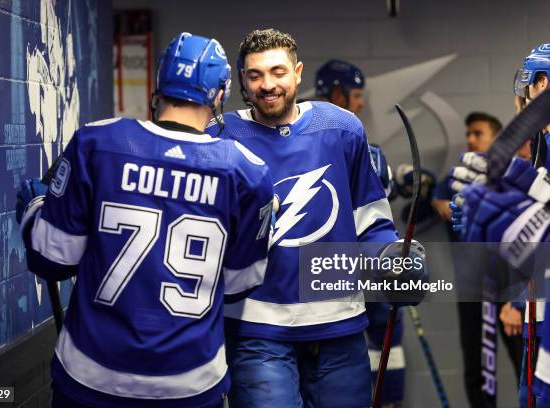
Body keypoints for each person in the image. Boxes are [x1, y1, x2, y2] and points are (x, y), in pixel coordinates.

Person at [16, 32, 274, 408]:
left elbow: (51, 260)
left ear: (159, 84)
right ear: (219, 95)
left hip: (92, 373)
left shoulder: (97, 142)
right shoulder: (247, 171)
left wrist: (34, 209)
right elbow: (238, 284)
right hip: (190, 380)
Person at [207, 28, 428, 408]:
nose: (267, 85)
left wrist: (394, 261)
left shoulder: (341, 128)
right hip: (258, 330)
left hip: (339, 327)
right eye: (255, 75)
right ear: (242, 80)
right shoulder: (221, 137)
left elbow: (370, 222)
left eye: (278, 72)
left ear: (297, 73)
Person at [452, 42, 550, 407]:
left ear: (542, 84)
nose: (518, 104)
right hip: (538, 319)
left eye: (525, 91)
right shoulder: (541, 152)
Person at [315, 59, 406, 407]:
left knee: (385, 342)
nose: (361, 102)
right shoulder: (312, 146)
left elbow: (372, 197)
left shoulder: (357, 143)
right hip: (330, 275)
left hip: (361, 266)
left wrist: (396, 182)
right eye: (354, 95)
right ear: (337, 94)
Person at [435, 112, 524, 407]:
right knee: (477, 366)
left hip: (510, 285)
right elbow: (442, 204)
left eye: (478, 133)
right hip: (472, 286)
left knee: (524, 359)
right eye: (468, 134)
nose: (471, 139)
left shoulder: (517, 177)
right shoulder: (455, 178)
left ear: (496, 138)